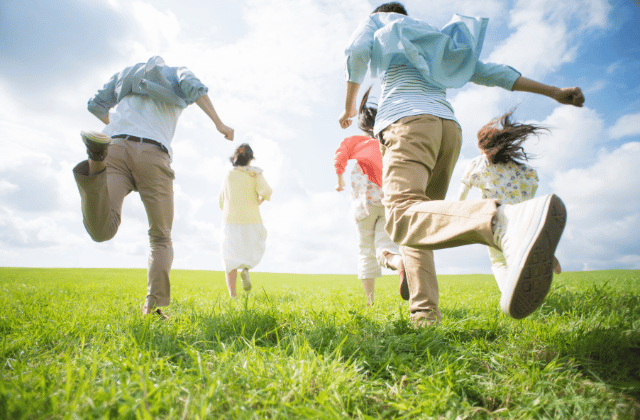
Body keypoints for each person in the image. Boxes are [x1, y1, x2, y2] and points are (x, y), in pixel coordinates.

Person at [339, 2, 585, 325]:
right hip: (446, 131)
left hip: (406, 122)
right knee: (420, 223)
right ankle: (425, 316)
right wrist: (553, 91)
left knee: (400, 217)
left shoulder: (379, 24)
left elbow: (356, 50)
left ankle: (504, 220)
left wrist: (348, 107)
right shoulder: (432, 38)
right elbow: (487, 71)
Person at [74, 56, 234, 319]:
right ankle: (152, 308)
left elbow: (95, 104)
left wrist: (117, 125)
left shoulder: (127, 74)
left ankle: (95, 160)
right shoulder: (179, 73)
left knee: (102, 231)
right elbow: (198, 90)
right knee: (160, 237)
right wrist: (219, 123)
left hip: (114, 149)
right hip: (153, 154)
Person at [458, 109, 562, 289]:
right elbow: (532, 183)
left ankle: (509, 295)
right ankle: (542, 250)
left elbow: (463, 189)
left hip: (495, 218)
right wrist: (525, 203)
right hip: (520, 216)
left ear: (482, 146)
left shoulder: (478, 163)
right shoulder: (517, 166)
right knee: (520, 248)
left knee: (499, 261)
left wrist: (459, 211)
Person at [334, 88, 407, 305]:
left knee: (365, 251)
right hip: (387, 204)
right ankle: (398, 261)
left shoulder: (358, 144)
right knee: (385, 246)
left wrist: (339, 183)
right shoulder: (390, 146)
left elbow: (340, 161)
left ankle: (370, 302)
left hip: (363, 207)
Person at [219, 143, 272, 298]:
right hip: (252, 219)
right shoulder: (255, 173)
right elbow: (267, 191)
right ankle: (246, 269)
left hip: (231, 220)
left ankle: (233, 295)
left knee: (230, 257)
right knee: (252, 248)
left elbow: (221, 200)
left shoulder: (229, 174)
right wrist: (261, 199)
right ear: (250, 159)